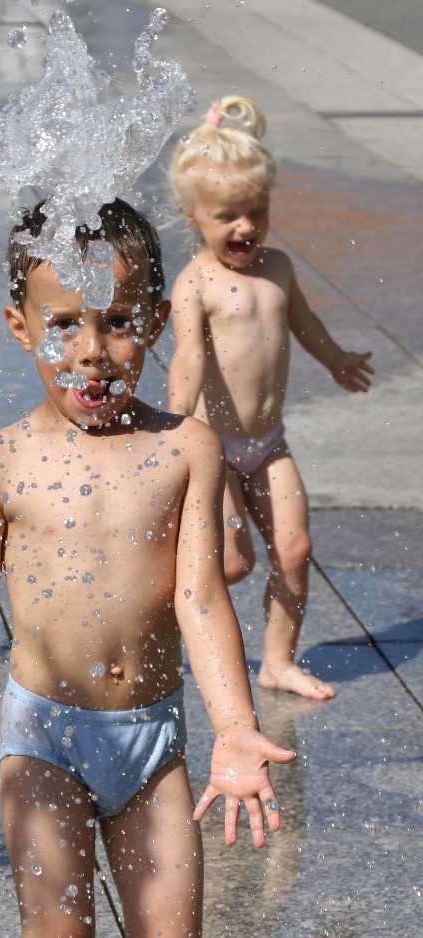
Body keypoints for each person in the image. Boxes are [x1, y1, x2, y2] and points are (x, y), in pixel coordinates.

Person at [0, 199, 296, 938]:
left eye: (119, 322)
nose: (92, 349)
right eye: (64, 324)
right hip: (44, 740)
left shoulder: (185, 448)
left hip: (152, 741)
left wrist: (234, 727)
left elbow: (200, 598)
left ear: (157, 322)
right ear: (22, 327)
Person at [167, 96, 374, 701]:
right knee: (233, 564)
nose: (245, 227)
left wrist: (335, 359)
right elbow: (188, 359)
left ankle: (277, 660)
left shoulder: (278, 267)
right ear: (193, 217)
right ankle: (163, 616)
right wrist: (175, 428)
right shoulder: (194, 285)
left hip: (268, 441)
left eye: (256, 211)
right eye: (227, 215)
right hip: (214, 447)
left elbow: (302, 322)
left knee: (294, 547)